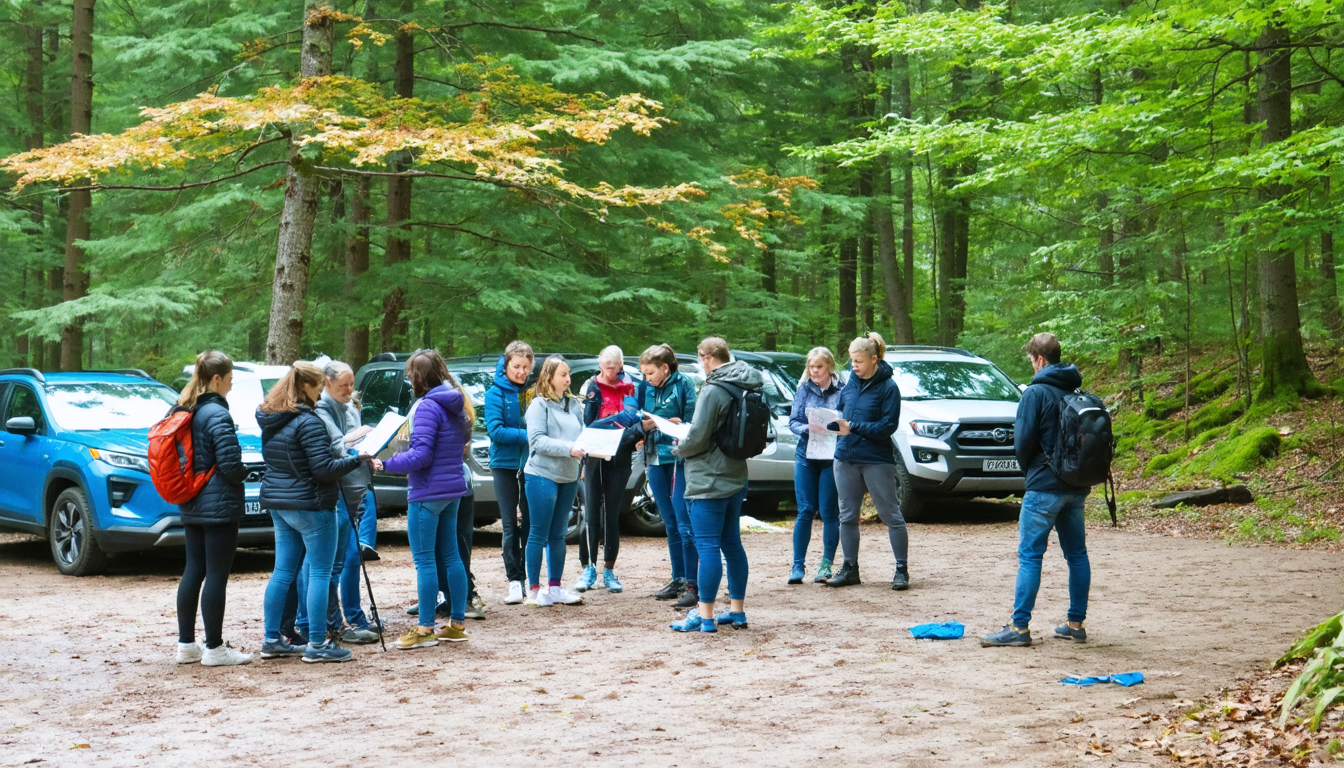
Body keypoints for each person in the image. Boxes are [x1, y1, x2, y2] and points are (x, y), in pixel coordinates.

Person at [982, 333, 1091, 648]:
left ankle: (1019, 628)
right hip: (1076, 486)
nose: (1031, 366)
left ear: (1039, 359)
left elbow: (1022, 443)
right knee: (1077, 554)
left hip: (1043, 486)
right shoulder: (1075, 390)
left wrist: (1030, 471)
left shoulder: (1036, 393)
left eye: (1031, 360)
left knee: (1030, 556)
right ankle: (1075, 623)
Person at [256, 361, 367, 663]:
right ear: (306, 386)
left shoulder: (272, 419)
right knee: (319, 572)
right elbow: (324, 469)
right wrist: (359, 458)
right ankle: (317, 644)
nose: (320, 393)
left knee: (282, 572)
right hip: (313, 506)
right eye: (318, 386)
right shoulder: (309, 422)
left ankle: (271, 639)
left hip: (280, 506)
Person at [373, 350, 474, 650]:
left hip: (427, 492)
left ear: (418, 377)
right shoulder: (457, 403)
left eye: (409, 375)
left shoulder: (428, 406)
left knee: (425, 561)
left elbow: (421, 455)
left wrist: (386, 463)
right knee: (452, 556)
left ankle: (425, 628)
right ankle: (456, 623)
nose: (408, 380)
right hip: (453, 488)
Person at [669, 337, 762, 633]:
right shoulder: (749, 382)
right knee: (732, 544)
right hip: (736, 474)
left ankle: (704, 615)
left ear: (706, 357)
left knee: (707, 545)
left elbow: (697, 436)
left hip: (708, 479)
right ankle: (737, 612)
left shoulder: (713, 389)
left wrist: (678, 447)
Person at [173, 350, 252, 666]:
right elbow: (230, 466)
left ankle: (186, 646)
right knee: (217, 574)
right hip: (219, 505)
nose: (231, 386)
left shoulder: (184, 409)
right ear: (216, 379)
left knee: (194, 570)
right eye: (230, 380)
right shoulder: (217, 414)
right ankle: (215, 648)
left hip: (191, 500)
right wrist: (248, 472)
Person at [825, 332, 909, 591]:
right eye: (851, 361)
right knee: (847, 516)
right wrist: (831, 423)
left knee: (891, 515)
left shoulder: (889, 388)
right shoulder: (850, 384)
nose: (854, 366)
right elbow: (842, 411)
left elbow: (887, 426)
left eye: (859, 361)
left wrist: (854, 426)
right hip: (845, 458)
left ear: (874, 359)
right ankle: (850, 568)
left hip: (876, 460)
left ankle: (901, 570)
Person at [312, 360, 380, 645]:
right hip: (336, 491)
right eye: (344, 386)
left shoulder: (349, 406)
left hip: (356, 490)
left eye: (352, 385)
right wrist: (358, 436)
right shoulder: (321, 409)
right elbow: (334, 448)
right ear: (327, 383)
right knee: (334, 563)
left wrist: (371, 453)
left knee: (352, 557)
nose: (350, 390)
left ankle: (354, 615)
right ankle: (331, 624)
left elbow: (357, 448)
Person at [575, 345, 641, 593]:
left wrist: (618, 426)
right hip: (594, 454)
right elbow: (589, 423)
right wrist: (614, 421)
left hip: (620, 453)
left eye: (613, 368)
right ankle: (587, 568)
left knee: (611, 514)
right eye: (605, 368)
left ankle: (609, 570)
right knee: (590, 513)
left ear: (620, 366)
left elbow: (633, 418)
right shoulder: (592, 386)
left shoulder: (631, 386)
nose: (609, 373)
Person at [522, 355, 586, 607]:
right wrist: (569, 448)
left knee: (559, 534)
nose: (568, 379)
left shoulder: (573, 405)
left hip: (569, 476)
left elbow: (583, 436)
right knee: (539, 533)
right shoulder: (538, 405)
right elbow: (536, 441)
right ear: (548, 377)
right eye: (563, 374)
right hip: (541, 475)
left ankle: (555, 587)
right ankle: (534, 590)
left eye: (569, 374)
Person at [636, 344, 698, 604]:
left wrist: (678, 425)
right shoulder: (645, 387)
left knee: (684, 523)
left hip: (677, 459)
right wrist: (643, 426)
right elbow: (637, 419)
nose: (647, 379)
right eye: (643, 374)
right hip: (654, 458)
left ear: (665, 368)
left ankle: (692, 581)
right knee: (669, 522)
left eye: (650, 373)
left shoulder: (684, 384)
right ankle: (677, 577)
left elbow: (694, 424)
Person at [788, 347, 842, 585]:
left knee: (829, 511)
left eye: (818, 366)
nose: (814, 371)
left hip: (831, 456)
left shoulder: (843, 389)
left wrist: (834, 424)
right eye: (811, 367)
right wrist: (806, 428)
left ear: (829, 366)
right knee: (805, 510)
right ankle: (797, 566)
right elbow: (793, 421)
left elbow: (849, 419)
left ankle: (826, 565)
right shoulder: (803, 388)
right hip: (806, 454)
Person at [485, 341, 533, 605]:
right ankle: (514, 581)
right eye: (516, 366)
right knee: (509, 525)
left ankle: (531, 578)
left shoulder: (534, 391)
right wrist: (530, 436)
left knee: (530, 523)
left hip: (531, 466)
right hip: (503, 465)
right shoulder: (495, 393)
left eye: (526, 367)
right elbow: (496, 431)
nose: (521, 372)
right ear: (506, 365)